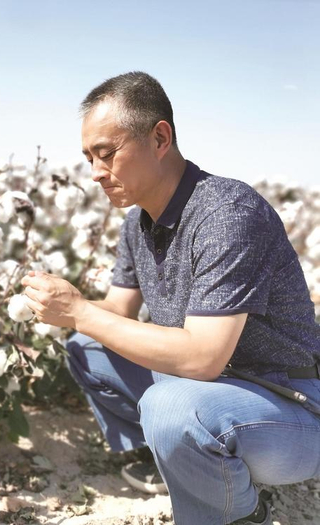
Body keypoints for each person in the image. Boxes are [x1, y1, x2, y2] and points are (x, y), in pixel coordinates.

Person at [20, 71, 320, 525]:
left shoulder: (228, 214)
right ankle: (178, 463)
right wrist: (62, 306)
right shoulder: (138, 223)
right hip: (212, 392)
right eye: (89, 158)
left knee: (171, 408)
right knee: (87, 347)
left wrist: (79, 312)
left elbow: (203, 358)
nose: (96, 172)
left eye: (107, 153)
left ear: (160, 138)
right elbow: (117, 310)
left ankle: (239, 513)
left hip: (292, 405)